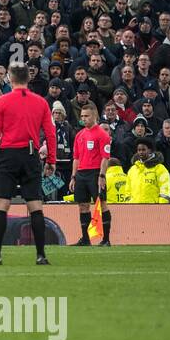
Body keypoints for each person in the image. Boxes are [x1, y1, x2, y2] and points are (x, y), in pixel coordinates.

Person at [0, 61, 58, 265]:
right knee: (35, 204)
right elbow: (50, 133)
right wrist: (51, 159)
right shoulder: (41, 102)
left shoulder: (3, 102)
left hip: (7, 155)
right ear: (28, 78)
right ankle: (41, 255)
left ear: (11, 78)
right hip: (30, 155)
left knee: (2, 204)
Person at [70, 101, 112, 246]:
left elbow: (105, 157)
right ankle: (85, 239)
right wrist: (73, 176)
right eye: (82, 116)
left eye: (87, 116)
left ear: (94, 116)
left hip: (95, 174)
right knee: (83, 205)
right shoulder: (79, 135)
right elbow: (76, 157)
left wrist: (102, 175)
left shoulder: (102, 135)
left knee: (102, 204)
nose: (84, 119)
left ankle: (106, 239)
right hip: (81, 173)